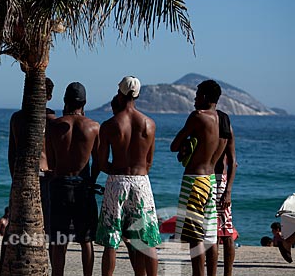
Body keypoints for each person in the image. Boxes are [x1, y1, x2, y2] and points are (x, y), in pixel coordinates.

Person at [95, 76, 161, 276]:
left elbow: (101, 162)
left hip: (117, 182)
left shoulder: (109, 124)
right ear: (138, 95)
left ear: (119, 94)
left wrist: (117, 170)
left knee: (111, 241)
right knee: (147, 238)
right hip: (141, 182)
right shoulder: (149, 124)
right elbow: (148, 162)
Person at [170, 79, 226, 276]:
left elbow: (174, 145)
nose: (194, 99)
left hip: (195, 180)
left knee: (195, 237)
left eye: (196, 95)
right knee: (210, 236)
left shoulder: (198, 116)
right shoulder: (222, 119)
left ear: (203, 97)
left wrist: (187, 143)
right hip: (211, 180)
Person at [46, 82, 100, 276]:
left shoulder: (54, 126)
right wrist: (91, 179)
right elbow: (99, 161)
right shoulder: (94, 127)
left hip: (59, 183)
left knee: (59, 240)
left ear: (65, 101)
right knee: (86, 240)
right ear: (84, 103)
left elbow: (51, 161)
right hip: (83, 185)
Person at [8, 77, 56, 234]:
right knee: (45, 225)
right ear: (49, 96)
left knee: (16, 225)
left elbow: (11, 153)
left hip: (22, 175)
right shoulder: (51, 120)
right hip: (45, 174)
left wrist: (14, 177)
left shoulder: (17, 118)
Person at [205, 110, 238, 276]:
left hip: (217, 181)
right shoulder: (221, 129)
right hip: (212, 180)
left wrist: (228, 191)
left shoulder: (223, 131)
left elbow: (233, 163)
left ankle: (227, 273)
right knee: (219, 232)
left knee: (224, 232)